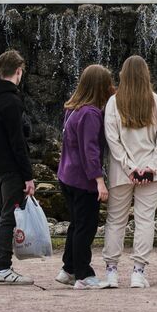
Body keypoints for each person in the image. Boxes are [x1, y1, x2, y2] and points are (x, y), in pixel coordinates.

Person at [102, 55, 157, 289]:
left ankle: (111, 272)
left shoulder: (114, 102)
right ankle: (138, 272)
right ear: (146, 75)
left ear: (123, 74)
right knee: (144, 221)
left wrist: (129, 167)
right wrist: (151, 166)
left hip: (121, 173)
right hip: (151, 173)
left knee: (115, 221)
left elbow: (112, 139)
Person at [57, 64, 113, 289]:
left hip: (67, 175)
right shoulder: (91, 113)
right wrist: (99, 180)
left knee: (76, 224)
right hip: (83, 180)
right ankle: (83, 274)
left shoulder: (73, 108)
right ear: (100, 86)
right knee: (86, 227)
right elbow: (90, 150)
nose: (111, 87)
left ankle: (67, 269)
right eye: (108, 83)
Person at [0, 49, 36, 285]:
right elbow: (18, 143)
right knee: (8, 216)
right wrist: (28, 176)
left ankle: (0, 263)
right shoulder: (12, 101)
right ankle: (4, 268)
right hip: (13, 168)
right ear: (18, 71)